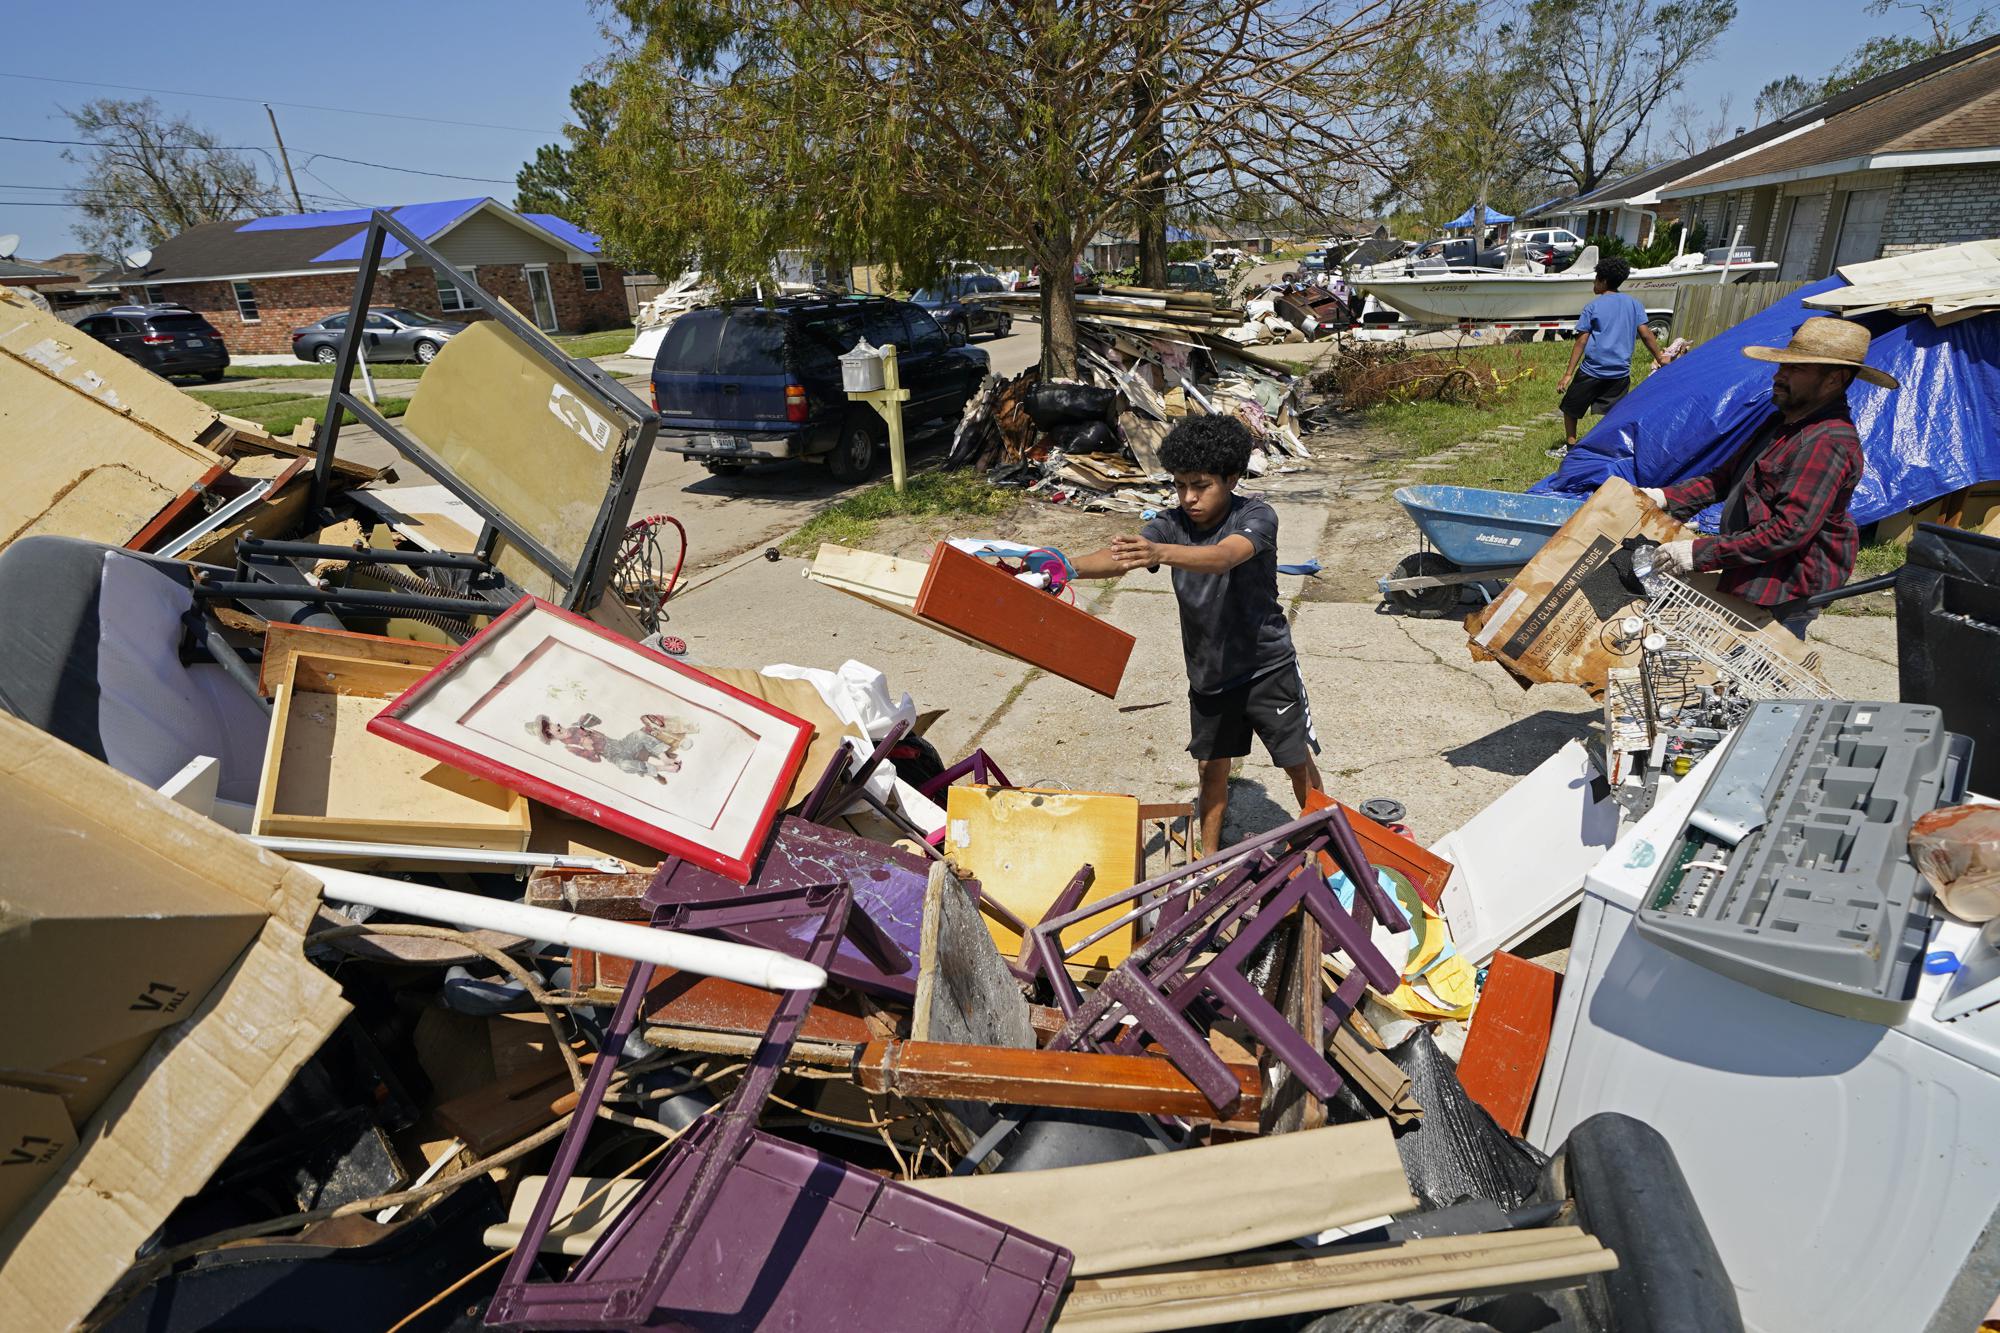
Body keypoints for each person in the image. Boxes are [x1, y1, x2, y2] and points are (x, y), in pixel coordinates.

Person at [1072, 416, 1319, 854]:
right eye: (1180, 484)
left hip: (1266, 666)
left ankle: (1327, 844)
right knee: (1211, 770)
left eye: (1200, 485)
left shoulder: (1257, 516)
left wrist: (1159, 553)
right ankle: (1206, 862)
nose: (1188, 497)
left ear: (1232, 477)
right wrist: (1054, 565)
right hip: (1209, 674)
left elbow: (1224, 557)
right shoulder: (1170, 524)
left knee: (1296, 762)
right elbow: (1115, 559)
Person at [1642, 316, 1897, 639]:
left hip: (1786, 585)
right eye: (1782, 366)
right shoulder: (1782, 423)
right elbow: (1723, 479)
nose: (1780, 375)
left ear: (1834, 380)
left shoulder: (1827, 442)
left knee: (1766, 676)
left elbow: (1787, 531)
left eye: (1795, 369)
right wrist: (1660, 497)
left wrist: (1697, 554)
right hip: (1755, 570)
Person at [1553, 257, 1672, 456]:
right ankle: (1608, 448)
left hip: (1592, 370)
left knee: (1570, 409)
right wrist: (1660, 357)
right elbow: (1646, 334)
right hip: (1620, 373)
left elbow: (1581, 341)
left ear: (1603, 281)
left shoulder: (1593, 307)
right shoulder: (1634, 304)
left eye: (1595, 280)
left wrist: (1568, 374)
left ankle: (1571, 447)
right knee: (1613, 414)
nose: (1593, 284)